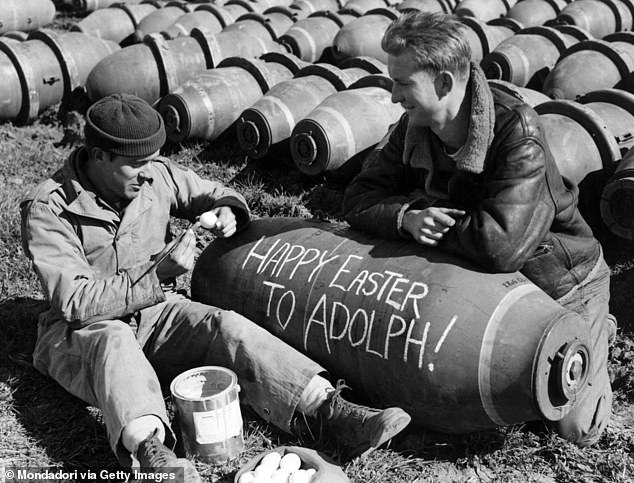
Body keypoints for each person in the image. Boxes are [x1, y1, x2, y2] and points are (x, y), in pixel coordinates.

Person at [20, 94, 411, 481]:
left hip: (156, 314)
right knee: (115, 340)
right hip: (81, 334)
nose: (147, 175)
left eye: (152, 163)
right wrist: (155, 277)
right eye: (136, 165)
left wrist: (228, 208)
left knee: (226, 327)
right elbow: (75, 303)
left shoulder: (155, 174)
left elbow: (213, 191)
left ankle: (329, 410)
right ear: (99, 155)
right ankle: (153, 454)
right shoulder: (49, 209)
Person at [342, 11, 615, 447]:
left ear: (446, 84)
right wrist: (408, 219)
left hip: (558, 281)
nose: (393, 95)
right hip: (478, 279)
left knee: (573, 427)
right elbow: (357, 198)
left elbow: (500, 246)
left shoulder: (516, 130)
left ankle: (597, 324)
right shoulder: (412, 127)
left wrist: (435, 225)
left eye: (403, 83)